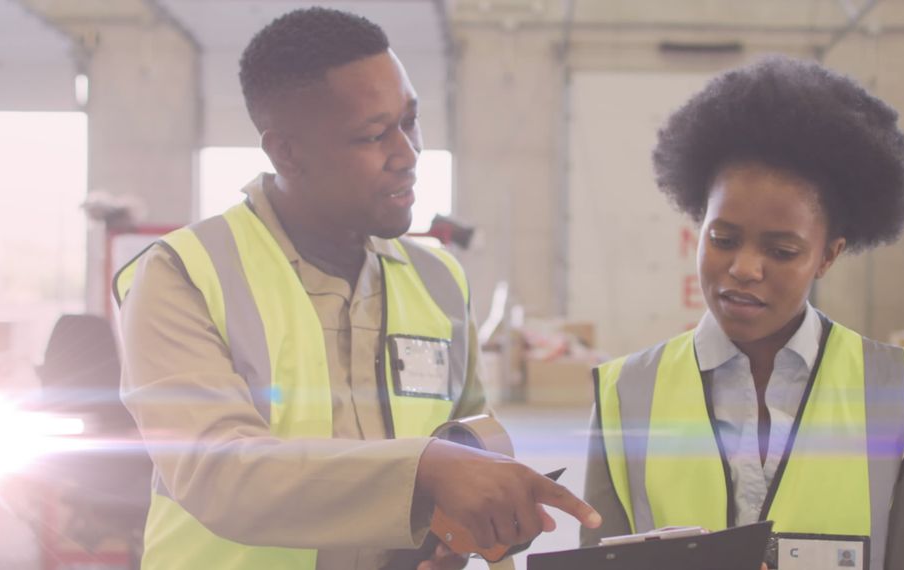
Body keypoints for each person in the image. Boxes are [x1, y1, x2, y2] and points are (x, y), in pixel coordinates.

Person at [114, 8, 599, 570]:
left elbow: (471, 436)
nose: (408, 154)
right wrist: (426, 472)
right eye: (373, 135)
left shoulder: (437, 280)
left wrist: (466, 533)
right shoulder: (184, 276)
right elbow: (219, 473)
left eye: (410, 121)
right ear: (286, 152)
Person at [582, 55, 904, 570]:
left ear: (828, 254)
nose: (744, 268)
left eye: (781, 251)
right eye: (723, 239)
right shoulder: (626, 392)